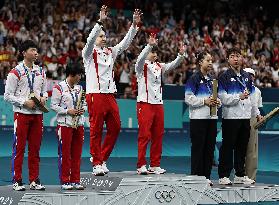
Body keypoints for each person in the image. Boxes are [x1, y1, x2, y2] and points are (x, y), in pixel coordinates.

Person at [82, 5, 142, 176]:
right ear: (94, 38)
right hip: (95, 95)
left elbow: (124, 44)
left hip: (110, 95)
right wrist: (100, 22)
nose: (103, 38)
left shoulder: (110, 52)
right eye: (100, 36)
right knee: (96, 130)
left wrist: (134, 27)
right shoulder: (87, 54)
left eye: (104, 36)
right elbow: (90, 39)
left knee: (116, 127)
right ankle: (96, 163)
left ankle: (102, 158)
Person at [135, 33, 186, 175]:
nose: (155, 54)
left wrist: (180, 56)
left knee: (158, 135)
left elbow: (171, 66)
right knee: (144, 135)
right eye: (152, 52)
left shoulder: (159, 66)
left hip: (158, 104)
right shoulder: (140, 66)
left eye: (156, 52)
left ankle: (155, 164)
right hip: (144, 103)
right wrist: (149, 45)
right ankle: (141, 165)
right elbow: (140, 58)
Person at [4, 40, 47, 191]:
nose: (36, 53)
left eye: (36, 50)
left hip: (37, 115)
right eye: (32, 50)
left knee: (35, 149)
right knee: (19, 148)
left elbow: (44, 91)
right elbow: (7, 96)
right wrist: (24, 102)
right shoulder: (15, 72)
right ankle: (17, 180)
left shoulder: (41, 71)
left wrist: (43, 98)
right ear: (24, 53)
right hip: (21, 115)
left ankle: (34, 180)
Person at [218, 47, 263, 185]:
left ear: (242, 58)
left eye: (238, 56)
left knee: (242, 147)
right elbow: (222, 98)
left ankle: (239, 174)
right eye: (232, 56)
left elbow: (251, 99)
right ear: (228, 59)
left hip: (245, 117)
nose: (236, 58)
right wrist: (239, 96)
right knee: (228, 146)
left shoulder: (247, 77)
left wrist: (257, 114)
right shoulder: (224, 77)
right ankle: (224, 175)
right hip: (231, 117)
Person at [185, 51, 220, 186]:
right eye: (208, 60)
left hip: (212, 118)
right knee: (198, 149)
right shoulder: (193, 79)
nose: (210, 63)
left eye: (211, 60)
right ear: (200, 62)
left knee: (209, 149)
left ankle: (206, 177)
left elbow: (216, 99)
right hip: (198, 119)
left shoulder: (212, 81)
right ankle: (195, 178)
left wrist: (218, 102)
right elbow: (188, 98)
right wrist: (204, 101)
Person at [51, 63, 85, 190]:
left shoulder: (80, 88)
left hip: (79, 124)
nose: (80, 77)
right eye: (79, 75)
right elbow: (53, 105)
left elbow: (84, 103)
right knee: (65, 154)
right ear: (72, 75)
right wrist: (67, 111)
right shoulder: (58, 87)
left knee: (77, 154)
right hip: (64, 125)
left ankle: (76, 180)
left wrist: (83, 109)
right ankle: (65, 180)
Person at [244, 68, 263, 181]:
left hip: (252, 120)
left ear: (254, 77)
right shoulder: (238, 89)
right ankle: (239, 175)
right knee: (240, 148)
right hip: (240, 118)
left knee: (252, 150)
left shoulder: (257, 91)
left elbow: (257, 108)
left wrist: (258, 116)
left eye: (251, 75)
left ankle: (251, 177)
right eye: (247, 75)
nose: (249, 77)